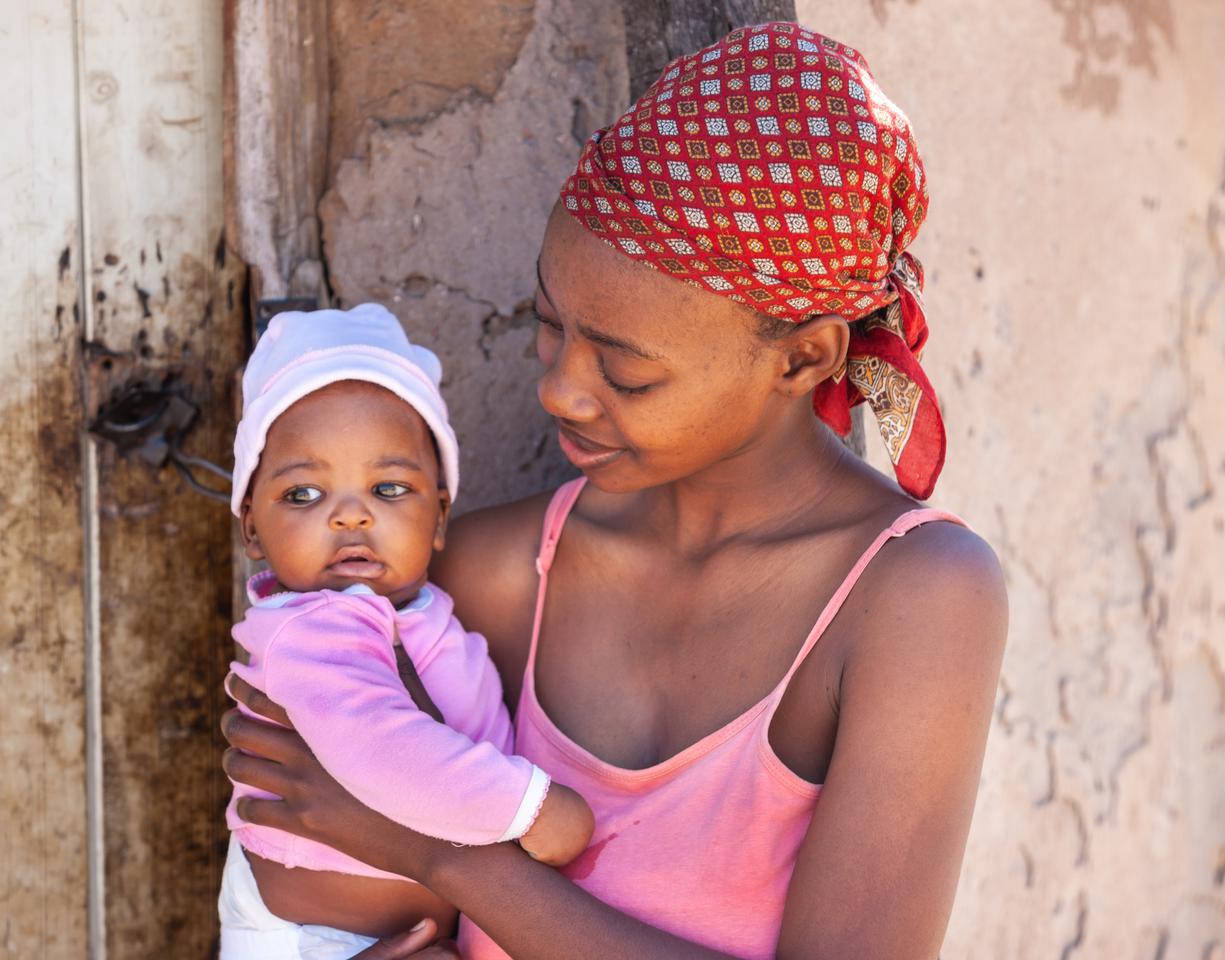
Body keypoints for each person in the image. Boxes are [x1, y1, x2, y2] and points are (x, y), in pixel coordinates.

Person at [222, 21, 1008, 960]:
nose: (559, 389)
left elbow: (417, 837)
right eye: (550, 324)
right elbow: (315, 832)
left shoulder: (914, 600)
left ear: (804, 357)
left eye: (627, 374)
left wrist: (455, 859)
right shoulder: (502, 570)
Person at [218, 304, 594, 959]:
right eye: (304, 495)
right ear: (252, 528)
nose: (351, 517)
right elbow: (384, 750)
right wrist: (532, 808)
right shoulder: (309, 631)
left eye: (389, 488)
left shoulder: (421, 615)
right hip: (311, 945)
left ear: (440, 517)